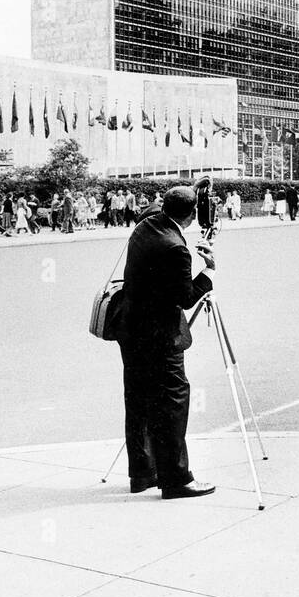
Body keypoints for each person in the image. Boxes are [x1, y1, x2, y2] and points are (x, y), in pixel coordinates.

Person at [114, 186, 217, 500]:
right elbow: (184, 298)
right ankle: (175, 479)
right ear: (189, 215)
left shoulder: (145, 226)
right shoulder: (176, 248)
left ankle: (142, 474)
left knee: (139, 402)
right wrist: (209, 270)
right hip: (159, 337)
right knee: (172, 404)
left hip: (131, 331)